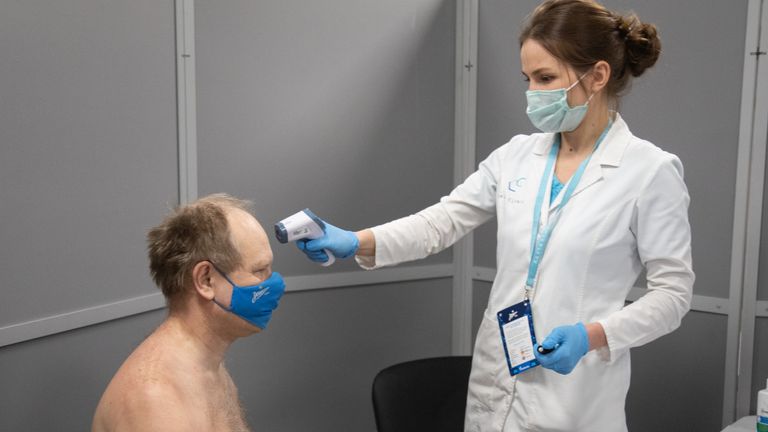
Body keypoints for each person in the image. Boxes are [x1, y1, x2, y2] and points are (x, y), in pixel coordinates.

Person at [294, 1, 694, 430]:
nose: (534, 93)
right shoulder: (517, 156)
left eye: (546, 78)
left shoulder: (649, 171)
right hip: (495, 386)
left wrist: (593, 335)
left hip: (576, 400)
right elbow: (442, 221)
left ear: (597, 76)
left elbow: (673, 294)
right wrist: (357, 240)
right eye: (528, 79)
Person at [92, 194, 286, 432]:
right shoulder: (157, 402)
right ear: (206, 280)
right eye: (260, 270)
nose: (274, 283)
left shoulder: (208, 366)